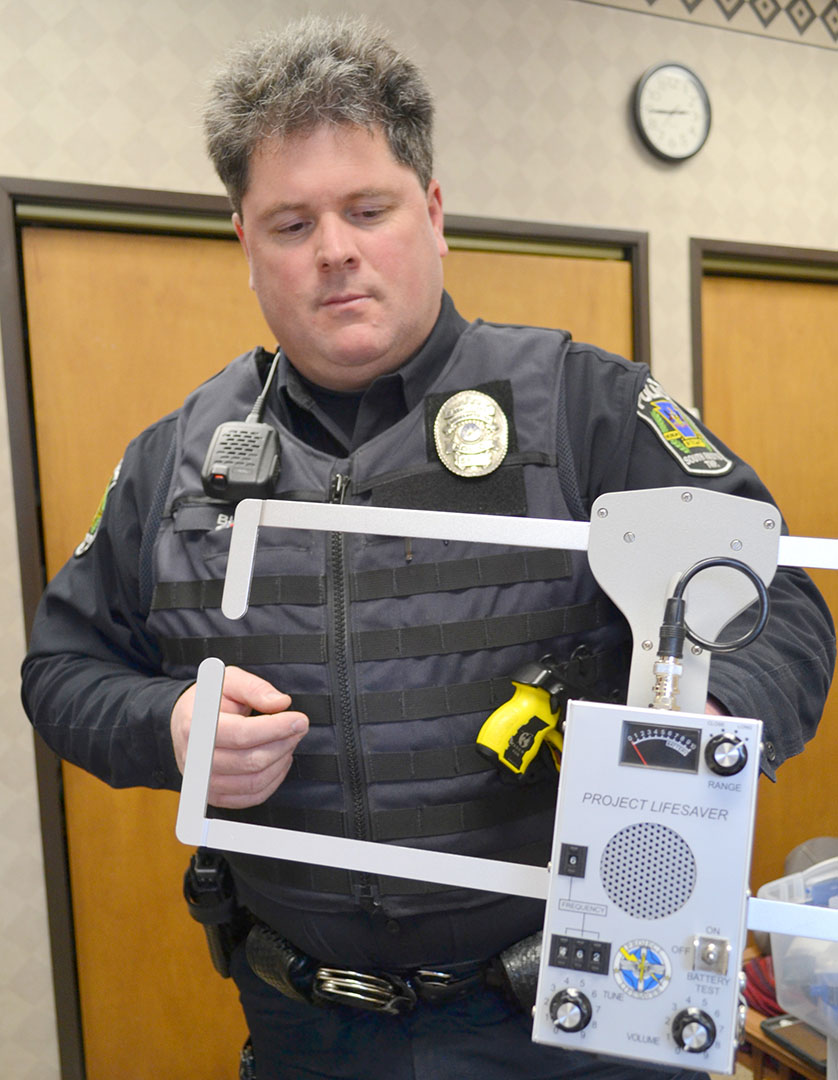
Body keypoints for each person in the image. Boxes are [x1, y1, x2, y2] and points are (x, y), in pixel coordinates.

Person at [21, 14, 835, 1080]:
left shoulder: (585, 410)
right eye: (291, 223)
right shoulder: (172, 462)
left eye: (368, 210)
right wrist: (166, 726)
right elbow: (61, 671)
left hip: (571, 1028)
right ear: (245, 244)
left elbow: (778, 604)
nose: (335, 250)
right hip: (308, 1032)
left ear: (435, 214)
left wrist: (710, 719)